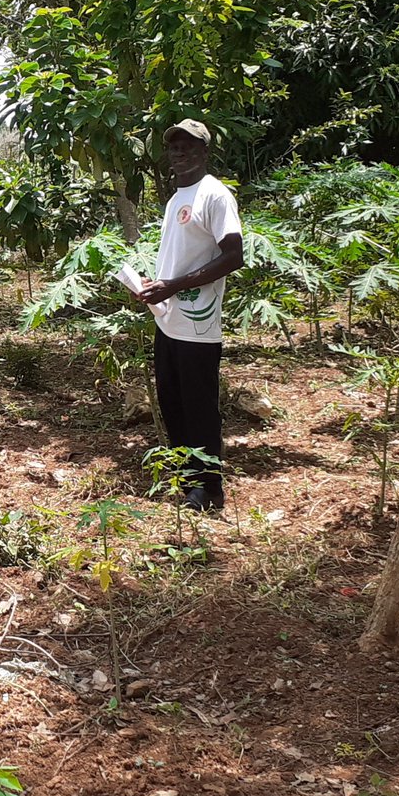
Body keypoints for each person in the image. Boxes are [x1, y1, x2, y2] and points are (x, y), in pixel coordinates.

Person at [136, 118, 244, 511]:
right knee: (172, 401)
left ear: (204, 152)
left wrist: (174, 286)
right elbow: (180, 257)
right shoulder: (176, 199)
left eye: (189, 146)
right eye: (174, 147)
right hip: (168, 319)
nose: (180, 153)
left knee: (199, 405)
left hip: (198, 323)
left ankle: (209, 488)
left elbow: (233, 256)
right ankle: (187, 478)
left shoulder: (214, 196)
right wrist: (155, 284)